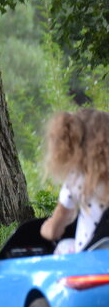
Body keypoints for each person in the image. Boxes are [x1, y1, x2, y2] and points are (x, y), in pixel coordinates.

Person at [40, 108, 109, 254]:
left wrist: (45, 227)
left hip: (90, 259)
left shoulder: (76, 180)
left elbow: (53, 231)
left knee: (63, 246)